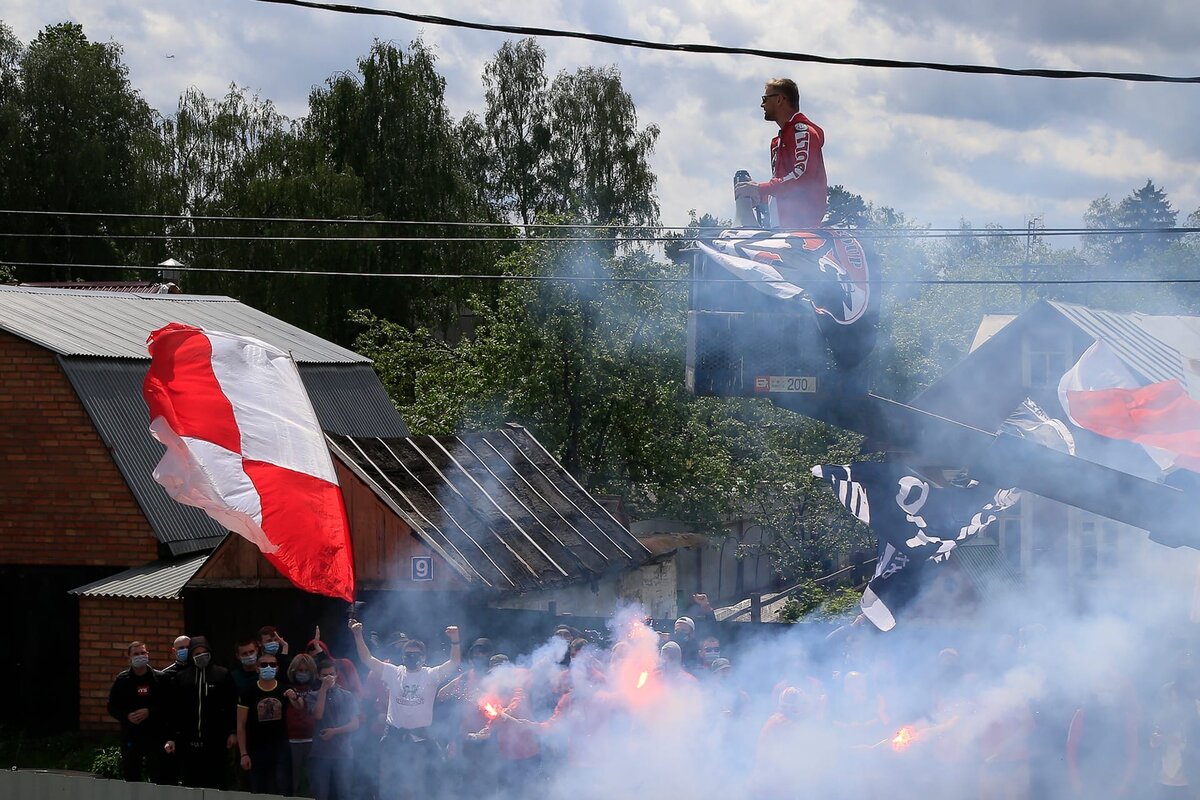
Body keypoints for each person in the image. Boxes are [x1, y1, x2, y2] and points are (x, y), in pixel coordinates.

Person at [350, 618, 462, 800]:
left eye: (415, 654)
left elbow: (454, 662)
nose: (412, 657)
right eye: (408, 654)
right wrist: (357, 635)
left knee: (419, 785)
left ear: (423, 657)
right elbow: (367, 659)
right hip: (394, 738)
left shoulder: (431, 675)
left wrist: (455, 640)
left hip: (421, 740)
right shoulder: (395, 672)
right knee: (388, 784)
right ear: (402, 657)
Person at [736, 77, 828, 229]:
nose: (762, 104)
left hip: (802, 229)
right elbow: (781, 185)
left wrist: (759, 189)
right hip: (780, 228)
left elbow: (801, 177)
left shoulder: (802, 132)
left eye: (765, 99)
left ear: (779, 99)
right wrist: (759, 197)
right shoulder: (777, 141)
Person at [162, 636, 237, 790]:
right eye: (196, 653)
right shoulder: (181, 678)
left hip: (216, 742)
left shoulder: (222, 675)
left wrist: (232, 732)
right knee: (191, 785)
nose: (201, 656)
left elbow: (231, 706)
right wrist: (171, 737)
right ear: (191, 656)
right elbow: (173, 710)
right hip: (187, 742)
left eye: (204, 652)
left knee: (217, 783)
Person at [237, 651, 298, 795]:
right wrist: (243, 753)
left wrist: (294, 697)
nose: (268, 667)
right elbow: (240, 725)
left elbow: (300, 707)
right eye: (264, 665)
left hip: (280, 747)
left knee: (282, 787)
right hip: (256, 748)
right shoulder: (248, 692)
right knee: (258, 789)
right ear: (257, 668)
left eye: (272, 664)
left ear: (277, 668)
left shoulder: (284, 689)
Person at [107, 641, 168, 783]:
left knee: (158, 776)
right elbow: (112, 707)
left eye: (143, 653)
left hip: (155, 736)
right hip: (131, 736)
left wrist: (149, 712)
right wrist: (126, 716)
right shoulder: (122, 680)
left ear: (148, 655)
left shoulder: (160, 679)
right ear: (129, 658)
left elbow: (167, 705)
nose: (140, 656)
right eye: (136, 654)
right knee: (131, 776)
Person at [306, 657, 360, 800]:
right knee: (321, 794)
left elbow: (355, 724)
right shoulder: (312, 696)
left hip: (343, 755)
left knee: (343, 794)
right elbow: (318, 714)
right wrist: (323, 688)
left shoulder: (347, 696)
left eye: (331, 674)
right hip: (320, 754)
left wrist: (335, 732)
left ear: (336, 674)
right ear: (318, 676)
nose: (328, 678)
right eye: (324, 675)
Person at [286, 652, 319, 795]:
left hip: (314, 740)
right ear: (293, 671)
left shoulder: (318, 688)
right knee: (294, 781)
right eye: (300, 670)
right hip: (292, 741)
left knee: (313, 780)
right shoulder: (287, 688)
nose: (303, 673)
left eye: (307, 670)